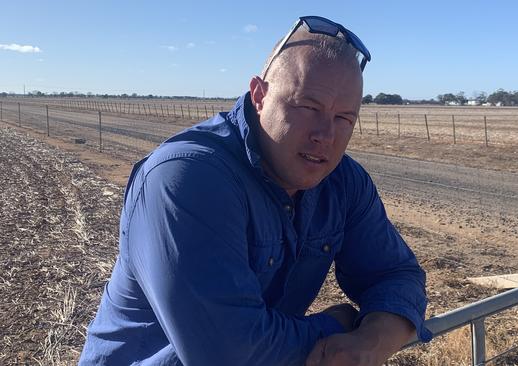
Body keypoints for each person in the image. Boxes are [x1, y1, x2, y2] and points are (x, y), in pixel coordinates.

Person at [80, 15, 432, 365]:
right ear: (260, 95)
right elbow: (230, 354)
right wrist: (336, 325)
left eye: (344, 118)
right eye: (308, 107)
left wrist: (370, 341)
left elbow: (396, 275)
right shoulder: (187, 177)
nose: (325, 134)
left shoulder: (342, 182)